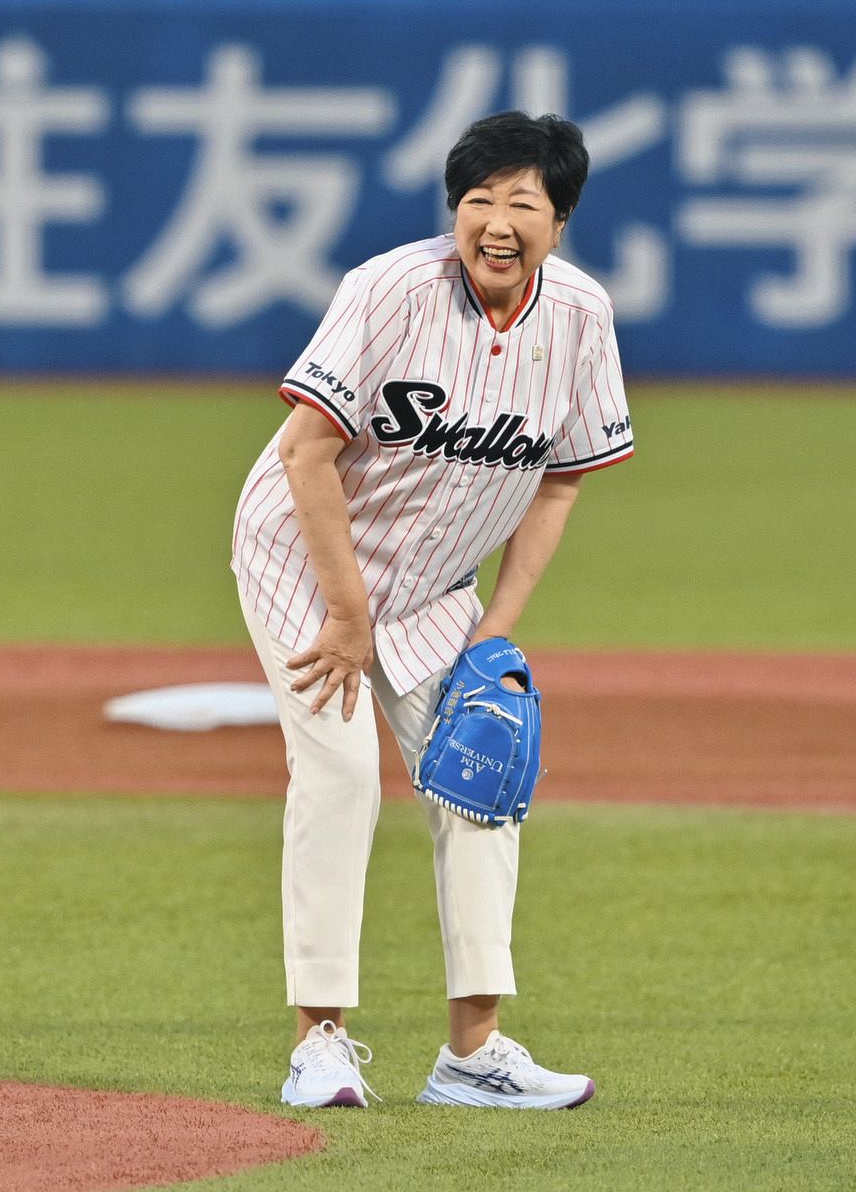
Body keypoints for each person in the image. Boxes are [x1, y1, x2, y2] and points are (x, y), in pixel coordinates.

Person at [231, 110, 633, 1110]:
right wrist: (346, 614)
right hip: (304, 559)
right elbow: (304, 454)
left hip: (434, 591)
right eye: (478, 199)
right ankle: (318, 1041)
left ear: (560, 219)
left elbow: (562, 482)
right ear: (455, 209)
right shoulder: (391, 291)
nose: (496, 221)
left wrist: (498, 624)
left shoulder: (581, 318)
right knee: (337, 776)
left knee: (484, 771)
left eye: (521, 203)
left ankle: (474, 1054)